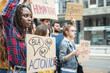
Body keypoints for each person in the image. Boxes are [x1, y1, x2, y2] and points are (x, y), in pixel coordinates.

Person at [1, 0, 33, 72]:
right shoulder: (11, 32)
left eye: (30, 16)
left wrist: (49, 60)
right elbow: (6, 15)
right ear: (18, 17)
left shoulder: (28, 35)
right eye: (25, 16)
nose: (29, 19)